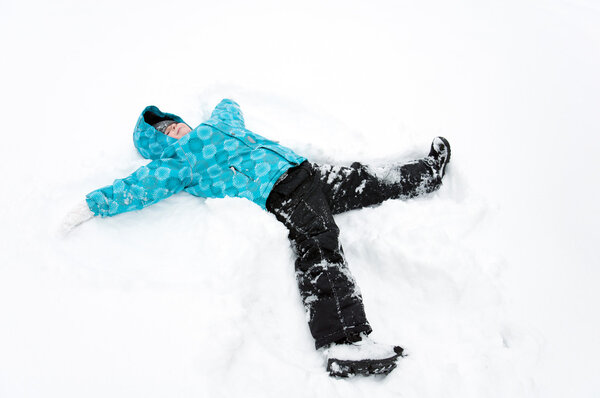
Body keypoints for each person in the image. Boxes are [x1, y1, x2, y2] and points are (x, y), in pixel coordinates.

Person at [62, 99, 451, 377]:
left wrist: (220, 107)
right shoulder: (177, 161)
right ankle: (343, 343)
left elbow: (229, 105)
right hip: (282, 192)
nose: (174, 128)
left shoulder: (220, 125)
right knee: (319, 244)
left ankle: (425, 175)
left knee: (362, 178)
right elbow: (138, 186)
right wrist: (95, 203)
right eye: (164, 131)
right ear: (159, 143)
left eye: (172, 122)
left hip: (304, 172)